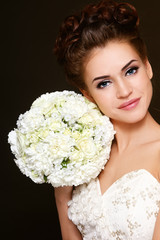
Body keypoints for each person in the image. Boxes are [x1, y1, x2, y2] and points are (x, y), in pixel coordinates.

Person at [53, 0, 160, 239]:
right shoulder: (84, 158)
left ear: (147, 66)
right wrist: (62, 200)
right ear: (88, 95)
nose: (124, 91)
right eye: (104, 83)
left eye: (131, 70)